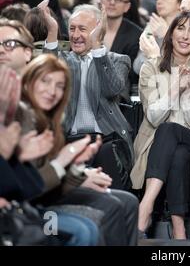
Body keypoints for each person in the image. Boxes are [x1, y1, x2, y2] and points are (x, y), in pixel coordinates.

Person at [19, 53, 139, 246]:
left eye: (60, 86)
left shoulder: (51, 121)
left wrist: (77, 171)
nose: (52, 91)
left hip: (48, 193)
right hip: (31, 205)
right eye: (45, 82)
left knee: (129, 201)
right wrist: (72, 169)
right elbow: (30, 185)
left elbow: (50, 177)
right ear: (29, 82)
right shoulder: (22, 117)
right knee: (107, 211)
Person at [131, 11, 190, 239]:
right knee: (176, 152)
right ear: (170, 35)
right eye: (180, 28)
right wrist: (173, 91)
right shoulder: (151, 68)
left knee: (172, 133)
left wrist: (187, 93)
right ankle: (179, 229)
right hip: (157, 145)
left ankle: (146, 205)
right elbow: (153, 118)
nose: (185, 35)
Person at [41, 3, 134, 190]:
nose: (75, 35)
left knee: (106, 157)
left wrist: (98, 47)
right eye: (72, 29)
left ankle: (117, 211)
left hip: (106, 139)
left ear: (97, 30)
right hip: (70, 138)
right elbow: (46, 75)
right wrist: (52, 33)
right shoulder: (64, 61)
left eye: (82, 29)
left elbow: (111, 89)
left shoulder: (117, 60)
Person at [101, 0, 143, 97]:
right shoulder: (88, 25)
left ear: (127, 7)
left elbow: (130, 76)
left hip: (118, 97)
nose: (112, 2)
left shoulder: (136, 35)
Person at [133, 0, 185, 76]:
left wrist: (165, 37)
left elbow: (177, 67)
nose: (159, 2)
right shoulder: (152, 26)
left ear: (180, 4)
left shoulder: (187, 28)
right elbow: (137, 67)